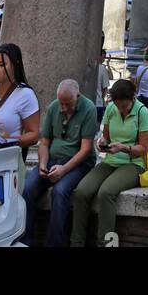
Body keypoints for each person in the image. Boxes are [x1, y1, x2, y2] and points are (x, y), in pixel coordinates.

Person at [71, 79, 148, 247]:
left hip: (134, 162)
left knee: (106, 193)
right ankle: (77, 243)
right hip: (111, 159)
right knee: (81, 191)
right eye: (117, 106)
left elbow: (144, 148)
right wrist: (102, 142)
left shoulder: (141, 112)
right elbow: (106, 136)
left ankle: (106, 244)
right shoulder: (111, 109)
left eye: (124, 106)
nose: (120, 109)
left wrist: (123, 148)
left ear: (132, 98)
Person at [22, 80, 98, 247]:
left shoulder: (89, 109)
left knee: (60, 192)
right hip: (52, 160)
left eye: (67, 104)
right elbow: (44, 143)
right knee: (27, 189)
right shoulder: (53, 107)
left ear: (77, 97)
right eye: (61, 103)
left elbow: (85, 150)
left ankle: (54, 244)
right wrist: (43, 163)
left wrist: (63, 170)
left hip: (78, 164)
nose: (63, 108)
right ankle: (25, 241)